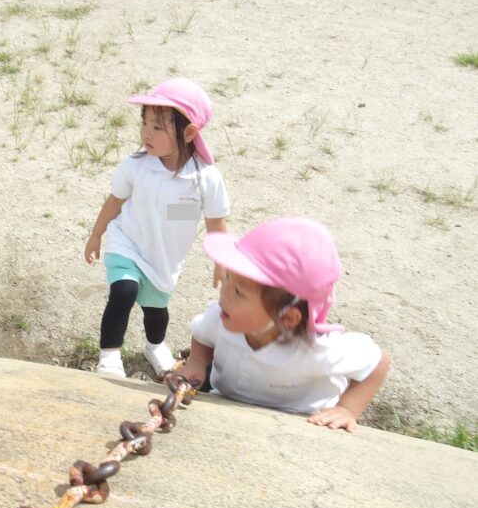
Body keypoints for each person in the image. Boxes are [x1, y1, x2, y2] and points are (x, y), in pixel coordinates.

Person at [183, 217, 390, 431]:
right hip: (228, 410)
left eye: (238, 292)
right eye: (227, 277)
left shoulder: (317, 349)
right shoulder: (221, 317)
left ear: (287, 318)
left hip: (300, 422)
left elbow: (378, 363)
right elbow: (202, 335)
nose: (224, 293)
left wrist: (347, 409)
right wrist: (197, 362)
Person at [84, 78, 230, 378]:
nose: (146, 133)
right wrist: (97, 234)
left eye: (158, 127)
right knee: (123, 291)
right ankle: (109, 356)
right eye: (144, 124)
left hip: (163, 259)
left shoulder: (205, 178)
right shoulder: (136, 165)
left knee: (156, 311)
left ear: (189, 133)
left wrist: (221, 261)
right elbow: (115, 201)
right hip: (127, 242)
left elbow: (214, 222)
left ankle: (155, 346)